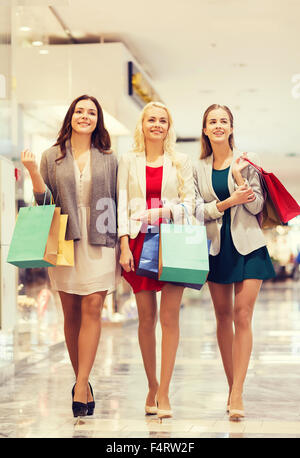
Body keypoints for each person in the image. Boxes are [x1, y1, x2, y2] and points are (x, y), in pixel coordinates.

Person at [21, 94, 119, 417]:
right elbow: (43, 199)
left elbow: (118, 200)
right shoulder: (52, 156)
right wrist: (33, 171)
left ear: (97, 120)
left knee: (93, 306)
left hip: (101, 237)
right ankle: (83, 381)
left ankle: (80, 385)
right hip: (64, 237)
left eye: (91, 112)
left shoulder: (108, 157)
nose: (85, 116)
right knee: (71, 313)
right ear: (70, 116)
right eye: (80, 111)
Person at [193, 104, 275, 421]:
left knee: (243, 315)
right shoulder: (197, 168)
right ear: (204, 129)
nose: (217, 125)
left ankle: (238, 391)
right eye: (212, 121)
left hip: (248, 245)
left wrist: (242, 182)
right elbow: (197, 211)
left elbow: (257, 208)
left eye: (223, 121)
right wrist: (226, 202)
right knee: (222, 316)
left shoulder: (246, 162)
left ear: (231, 127)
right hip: (216, 247)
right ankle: (231, 386)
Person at [117, 101, 194, 421]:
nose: (157, 125)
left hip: (172, 240)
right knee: (146, 319)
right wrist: (123, 246)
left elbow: (191, 203)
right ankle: (151, 385)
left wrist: (162, 211)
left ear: (169, 126)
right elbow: (120, 203)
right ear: (142, 124)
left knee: (170, 318)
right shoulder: (128, 160)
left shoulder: (181, 161)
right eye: (152, 120)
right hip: (137, 241)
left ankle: (164, 392)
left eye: (163, 120)